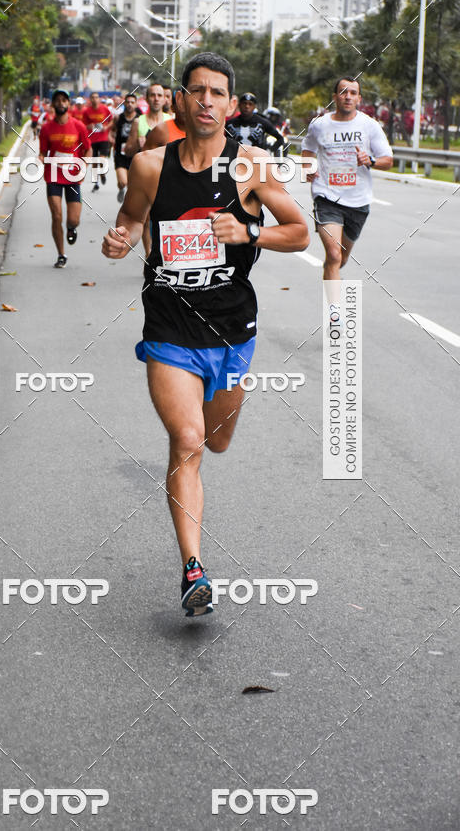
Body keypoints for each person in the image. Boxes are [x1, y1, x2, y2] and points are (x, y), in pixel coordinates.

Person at [101, 52, 308, 617]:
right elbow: (130, 221)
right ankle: (194, 569)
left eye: (218, 93)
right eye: (197, 91)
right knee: (188, 440)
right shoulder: (149, 165)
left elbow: (300, 233)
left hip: (232, 330)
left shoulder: (251, 167)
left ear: (232, 105)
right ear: (182, 98)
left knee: (216, 440)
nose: (207, 101)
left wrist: (249, 231)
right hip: (169, 327)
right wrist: (118, 241)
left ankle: (194, 550)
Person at [301, 76, 393, 308]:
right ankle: (335, 314)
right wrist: (308, 168)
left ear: (359, 98)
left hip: (358, 201)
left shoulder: (369, 126)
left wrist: (370, 160)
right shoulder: (319, 125)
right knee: (333, 254)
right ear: (335, 97)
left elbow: (388, 160)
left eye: (353, 93)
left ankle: (330, 274)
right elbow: (307, 149)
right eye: (343, 92)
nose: (348, 96)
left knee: (340, 259)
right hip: (327, 197)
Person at [39, 88, 91, 267]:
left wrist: (85, 163)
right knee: (56, 215)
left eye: (64, 100)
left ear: (68, 104)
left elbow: (88, 148)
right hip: (53, 175)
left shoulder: (79, 126)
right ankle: (61, 254)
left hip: (73, 176)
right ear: (53, 104)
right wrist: (41, 158)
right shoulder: (46, 128)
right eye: (58, 100)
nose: (61, 103)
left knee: (73, 219)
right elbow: (42, 152)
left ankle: (71, 228)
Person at [124, 82, 169, 255]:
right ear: (147, 99)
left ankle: (163, 251)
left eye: (160, 95)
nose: (156, 99)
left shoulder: (171, 120)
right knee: (146, 216)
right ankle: (149, 253)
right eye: (153, 95)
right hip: (147, 177)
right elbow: (128, 151)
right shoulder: (139, 122)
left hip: (168, 177)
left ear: (165, 99)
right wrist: (137, 143)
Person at [110, 93, 141, 203]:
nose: (129, 104)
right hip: (120, 154)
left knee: (132, 183)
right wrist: (111, 138)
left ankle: (128, 199)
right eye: (127, 102)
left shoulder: (140, 119)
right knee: (123, 181)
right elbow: (112, 131)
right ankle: (122, 188)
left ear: (136, 104)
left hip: (136, 154)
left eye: (132, 102)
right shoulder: (119, 118)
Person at [82, 92, 112, 191]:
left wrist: (106, 127)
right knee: (94, 162)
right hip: (92, 139)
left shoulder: (104, 109)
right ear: (90, 99)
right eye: (93, 98)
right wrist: (88, 126)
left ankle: (102, 173)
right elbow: (83, 125)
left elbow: (112, 120)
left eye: (96, 97)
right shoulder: (87, 111)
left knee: (102, 159)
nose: (95, 99)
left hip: (103, 138)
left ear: (99, 99)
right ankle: (96, 183)